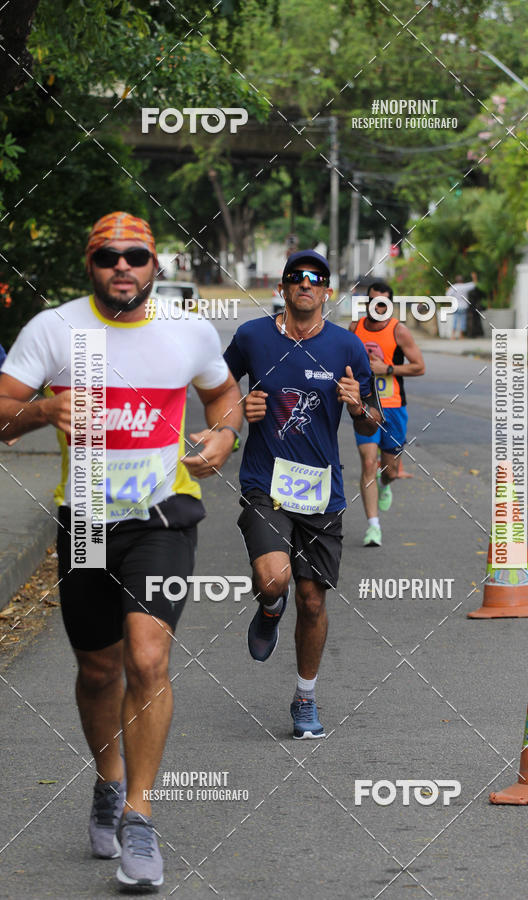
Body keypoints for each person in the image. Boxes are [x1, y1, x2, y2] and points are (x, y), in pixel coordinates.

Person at [0, 211, 242, 889]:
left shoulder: (187, 331)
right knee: (100, 670)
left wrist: (224, 435)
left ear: (155, 263)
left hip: (163, 515)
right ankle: (109, 782)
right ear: (91, 264)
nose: (123, 268)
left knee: (146, 656)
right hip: (84, 521)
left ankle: (139, 814)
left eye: (136, 256)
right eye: (109, 257)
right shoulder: (54, 330)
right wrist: (45, 412)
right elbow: (2, 409)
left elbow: (223, 394)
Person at [223, 249, 381, 739]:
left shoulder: (346, 347)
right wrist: (237, 409)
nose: (305, 284)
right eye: (296, 277)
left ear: (327, 291)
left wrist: (358, 409)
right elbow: (217, 391)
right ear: (284, 288)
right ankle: (270, 606)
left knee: (312, 601)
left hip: (322, 491)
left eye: (315, 279)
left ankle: (304, 697)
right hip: (264, 483)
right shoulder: (252, 337)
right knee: (275, 580)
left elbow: (375, 418)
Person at [350, 281, 425, 547]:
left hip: (394, 407)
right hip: (366, 405)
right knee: (368, 463)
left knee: (389, 470)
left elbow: (419, 367)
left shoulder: (399, 331)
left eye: (383, 303)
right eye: (373, 302)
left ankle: (386, 483)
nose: (377, 307)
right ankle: (373, 527)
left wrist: (388, 369)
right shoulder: (354, 329)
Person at [447, 273, 477, 339]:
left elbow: (447, 295)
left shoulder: (453, 287)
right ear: (462, 280)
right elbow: (474, 284)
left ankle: (453, 335)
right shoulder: (465, 286)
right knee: (463, 320)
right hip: (464, 306)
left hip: (456, 306)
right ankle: (461, 335)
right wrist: (474, 277)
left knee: (455, 320)